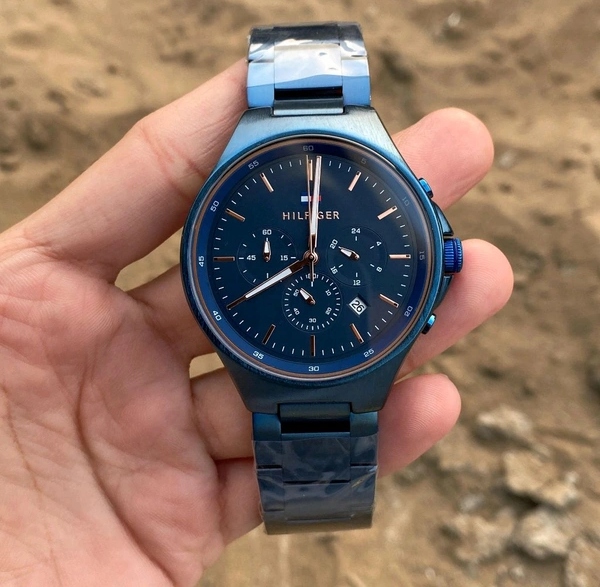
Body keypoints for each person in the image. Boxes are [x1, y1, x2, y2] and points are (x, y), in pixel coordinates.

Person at [0, 59, 513, 586]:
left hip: (341, 345)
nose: (311, 262)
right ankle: (319, 501)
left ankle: (321, 501)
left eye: (313, 259)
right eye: (306, 260)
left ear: (441, 259)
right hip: (300, 347)